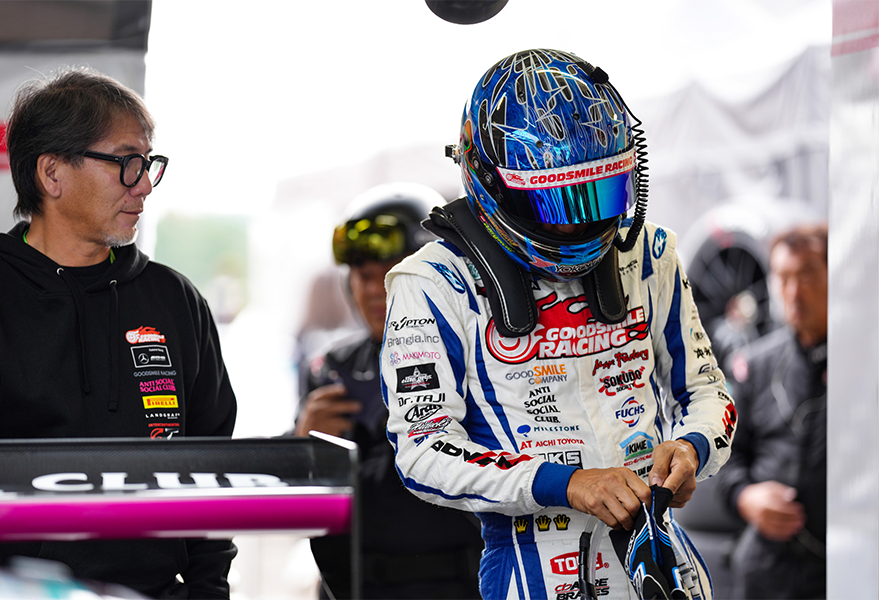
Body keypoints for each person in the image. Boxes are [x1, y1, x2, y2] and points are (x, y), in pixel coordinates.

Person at [379, 49, 736, 600]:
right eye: (556, 202)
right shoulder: (431, 283)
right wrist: (565, 484)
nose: (579, 221)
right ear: (492, 182)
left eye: (597, 193)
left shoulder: (648, 254)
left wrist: (692, 449)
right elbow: (422, 450)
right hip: (534, 569)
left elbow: (709, 393)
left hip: (664, 560)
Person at [0, 67, 237, 599]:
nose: (144, 184)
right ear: (52, 173)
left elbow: (213, 467)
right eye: (126, 163)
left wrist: (207, 591)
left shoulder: (175, 300)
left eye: (148, 163)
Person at [294, 182, 485, 600]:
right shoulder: (331, 369)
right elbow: (293, 502)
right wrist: (301, 445)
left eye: (391, 276)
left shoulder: (481, 361)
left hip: (460, 585)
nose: (373, 290)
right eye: (363, 276)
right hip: (351, 587)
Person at [716, 223, 828, 600]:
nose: (794, 292)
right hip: (768, 568)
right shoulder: (754, 365)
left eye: (807, 275)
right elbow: (724, 458)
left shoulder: (865, 362)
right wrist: (745, 498)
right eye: (783, 277)